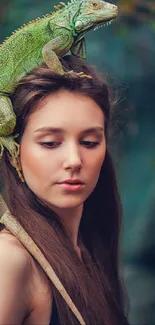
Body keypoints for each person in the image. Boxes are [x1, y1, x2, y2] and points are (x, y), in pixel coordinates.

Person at [0, 55, 129, 325]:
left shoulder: (88, 248)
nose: (74, 160)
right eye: (49, 143)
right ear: (14, 151)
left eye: (90, 142)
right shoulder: (10, 258)